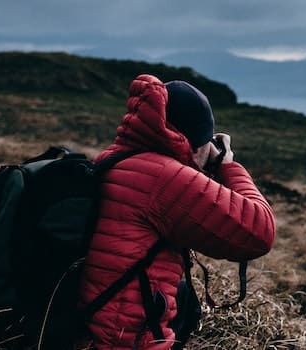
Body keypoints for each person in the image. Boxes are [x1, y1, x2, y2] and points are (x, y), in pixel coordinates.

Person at [77, 74, 276, 349]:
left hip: (84, 329)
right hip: (123, 341)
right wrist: (229, 166)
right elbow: (260, 232)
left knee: (183, 298)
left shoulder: (114, 158)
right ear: (194, 142)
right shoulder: (165, 178)